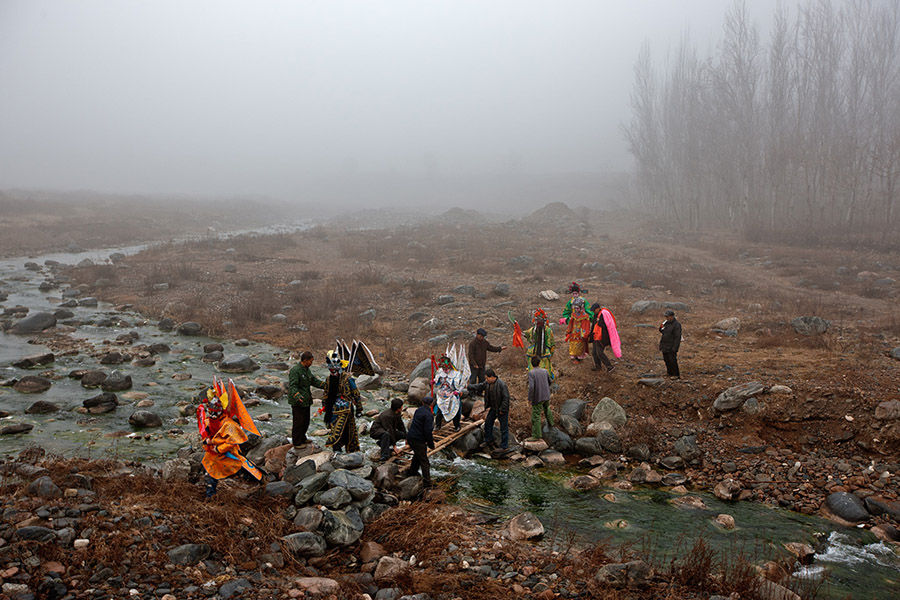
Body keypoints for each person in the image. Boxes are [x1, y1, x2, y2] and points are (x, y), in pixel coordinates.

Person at [198, 388, 263, 498]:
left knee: (240, 470)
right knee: (209, 473)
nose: (212, 415)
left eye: (214, 413)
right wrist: (207, 441)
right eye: (210, 412)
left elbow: (232, 442)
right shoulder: (208, 421)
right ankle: (210, 496)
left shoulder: (229, 425)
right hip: (213, 454)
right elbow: (205, 434)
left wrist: (218, 449)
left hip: (228, 454)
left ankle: (256, 482)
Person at [322, 351, 364, 452]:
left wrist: (359, 409)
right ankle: (337, 451)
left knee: (348, 431)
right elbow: (326, 394)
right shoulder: (329, 379)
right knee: (335, 431)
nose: (333, 372)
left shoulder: (347, 378)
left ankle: (350, 452)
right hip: (333, 410)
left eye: (335, 370)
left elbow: (356, 394)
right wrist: (324, 407)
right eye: (331, 370)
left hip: (347, 409)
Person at [287, 351, 325, 447]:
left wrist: (325, 385)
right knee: (298, 422)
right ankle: (296, 442)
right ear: (305, 360)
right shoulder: (295, 371)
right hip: (298, 402)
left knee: (306, 421)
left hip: (306, 401)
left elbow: (314, 381)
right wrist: (297, 395)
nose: (311, 363)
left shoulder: (307, 370)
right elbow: (293, 386)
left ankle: (303, 438)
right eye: (310, 361)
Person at [468, 368, 510, 450]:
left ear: (492, 377)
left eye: (487, 378)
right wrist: (470, 386)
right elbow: (479, 386)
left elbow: (506, 398)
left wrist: (502, 409)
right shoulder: (487, 383)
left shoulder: (502, 385)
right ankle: (488, 440)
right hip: (493, 408)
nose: (486, 380)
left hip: (501, 409)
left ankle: (504, 446)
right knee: (488, 423)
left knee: (504, 428)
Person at [405, 395, 436, 486]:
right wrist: (431, 444)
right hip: (418, 440)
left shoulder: (418, 410)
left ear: (422, 403)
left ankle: (412, 472)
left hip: (411, 436)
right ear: (431, 404)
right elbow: (427, 431)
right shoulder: (429, 415)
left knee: (418, 455)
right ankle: (427, 482)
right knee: (425, 461)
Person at [467, 328, 505, 395]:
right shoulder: (472, 343)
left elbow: (491, 348)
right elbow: (470, 355)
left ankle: (479, 393)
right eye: (481, 336)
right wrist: (474, 364)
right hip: (474, 366)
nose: (482, 338)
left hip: (482, 365)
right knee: (473, 380)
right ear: (477, 335)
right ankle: (471, 394)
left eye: (483, 336)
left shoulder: (485, 343)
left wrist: (500, 348)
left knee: (482, 380)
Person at [524, 308, 555, 380]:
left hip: (538, 352)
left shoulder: (535, 330)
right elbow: (551, 343)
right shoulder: (546, 330)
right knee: (544, 366)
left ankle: (535, 379)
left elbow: (527, 335)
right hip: (541, 352)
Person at [527, 356, 553, 440]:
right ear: (539, 363)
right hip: (546, 395)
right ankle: (551, 423)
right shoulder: (545, 371)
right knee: (547, 409)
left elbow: (531, 387)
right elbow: (550, 381)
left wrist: (530, 398)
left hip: (538, 397)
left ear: (531, 363)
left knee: (536, 416)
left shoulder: (531, 373)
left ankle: (536, 436)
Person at [589, 303, 614, 372]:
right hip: (595, 336)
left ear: (598, 308)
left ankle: (610, 367)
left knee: (599, 353)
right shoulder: (595, 315)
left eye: (594, 310)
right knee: (594, 353)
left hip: (602, 337)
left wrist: (599, 322)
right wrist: (591, 335)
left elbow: (607, 326)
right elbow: (593, 326)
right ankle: (598, 367)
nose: (593, 312)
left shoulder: (604, 314)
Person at [565, 298, 592, 362]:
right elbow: (571, 323)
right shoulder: (573, 314)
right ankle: (574, 355)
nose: (576, 310)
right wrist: (569, 331)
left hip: (581, 332)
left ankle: (580, 356)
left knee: (580, 343)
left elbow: (586, 325)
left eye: (578, 308)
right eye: (575, 308)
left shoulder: (585, 316)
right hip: (574, 331)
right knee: (572, 342)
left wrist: (584, 333)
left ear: (581, 308)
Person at [659, 309, 682, 378]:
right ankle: (669, 373)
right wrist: (661, 327)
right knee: (666, 360)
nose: (667, 318)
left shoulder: (677, 325)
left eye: (668, 316)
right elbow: (662, 331)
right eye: (666, 317)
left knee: (672, 361)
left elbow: (677, 337)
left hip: (672, 346)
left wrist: (675, 348)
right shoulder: (666, 323)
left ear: (672, 316)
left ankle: (676, 374)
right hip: (664, 345)